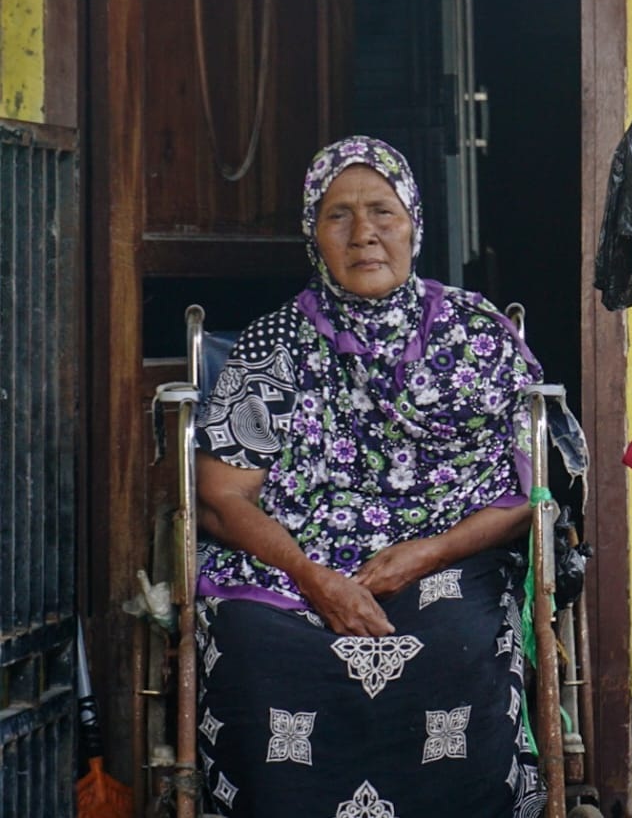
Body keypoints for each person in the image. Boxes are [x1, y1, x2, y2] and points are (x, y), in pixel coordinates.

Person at [192, 136, 548, 817]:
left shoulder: (478, 334)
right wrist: (311, 575)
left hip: (447, 560)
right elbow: (221, 493)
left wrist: (431, 551)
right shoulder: (275, 344)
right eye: (338, 215)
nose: (364, 234)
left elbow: (530, 493)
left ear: (414, 223)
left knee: (461, 646)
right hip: (294, 571)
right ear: (312, 234)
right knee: (250, 643)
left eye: (383, 211)